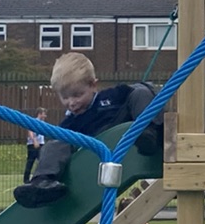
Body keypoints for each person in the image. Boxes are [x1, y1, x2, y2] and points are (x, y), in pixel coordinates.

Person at [15, 52, 165, 213]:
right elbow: (58, 147)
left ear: (93, 85)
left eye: (78, 95)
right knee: (56, 143)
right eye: (65, 97)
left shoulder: (112, 97)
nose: (72, 102)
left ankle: (149, 132)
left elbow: (144, 92)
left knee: (141, 91)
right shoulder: (71, 122)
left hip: (124, 131)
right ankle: (43, 182)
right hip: (93, 146)